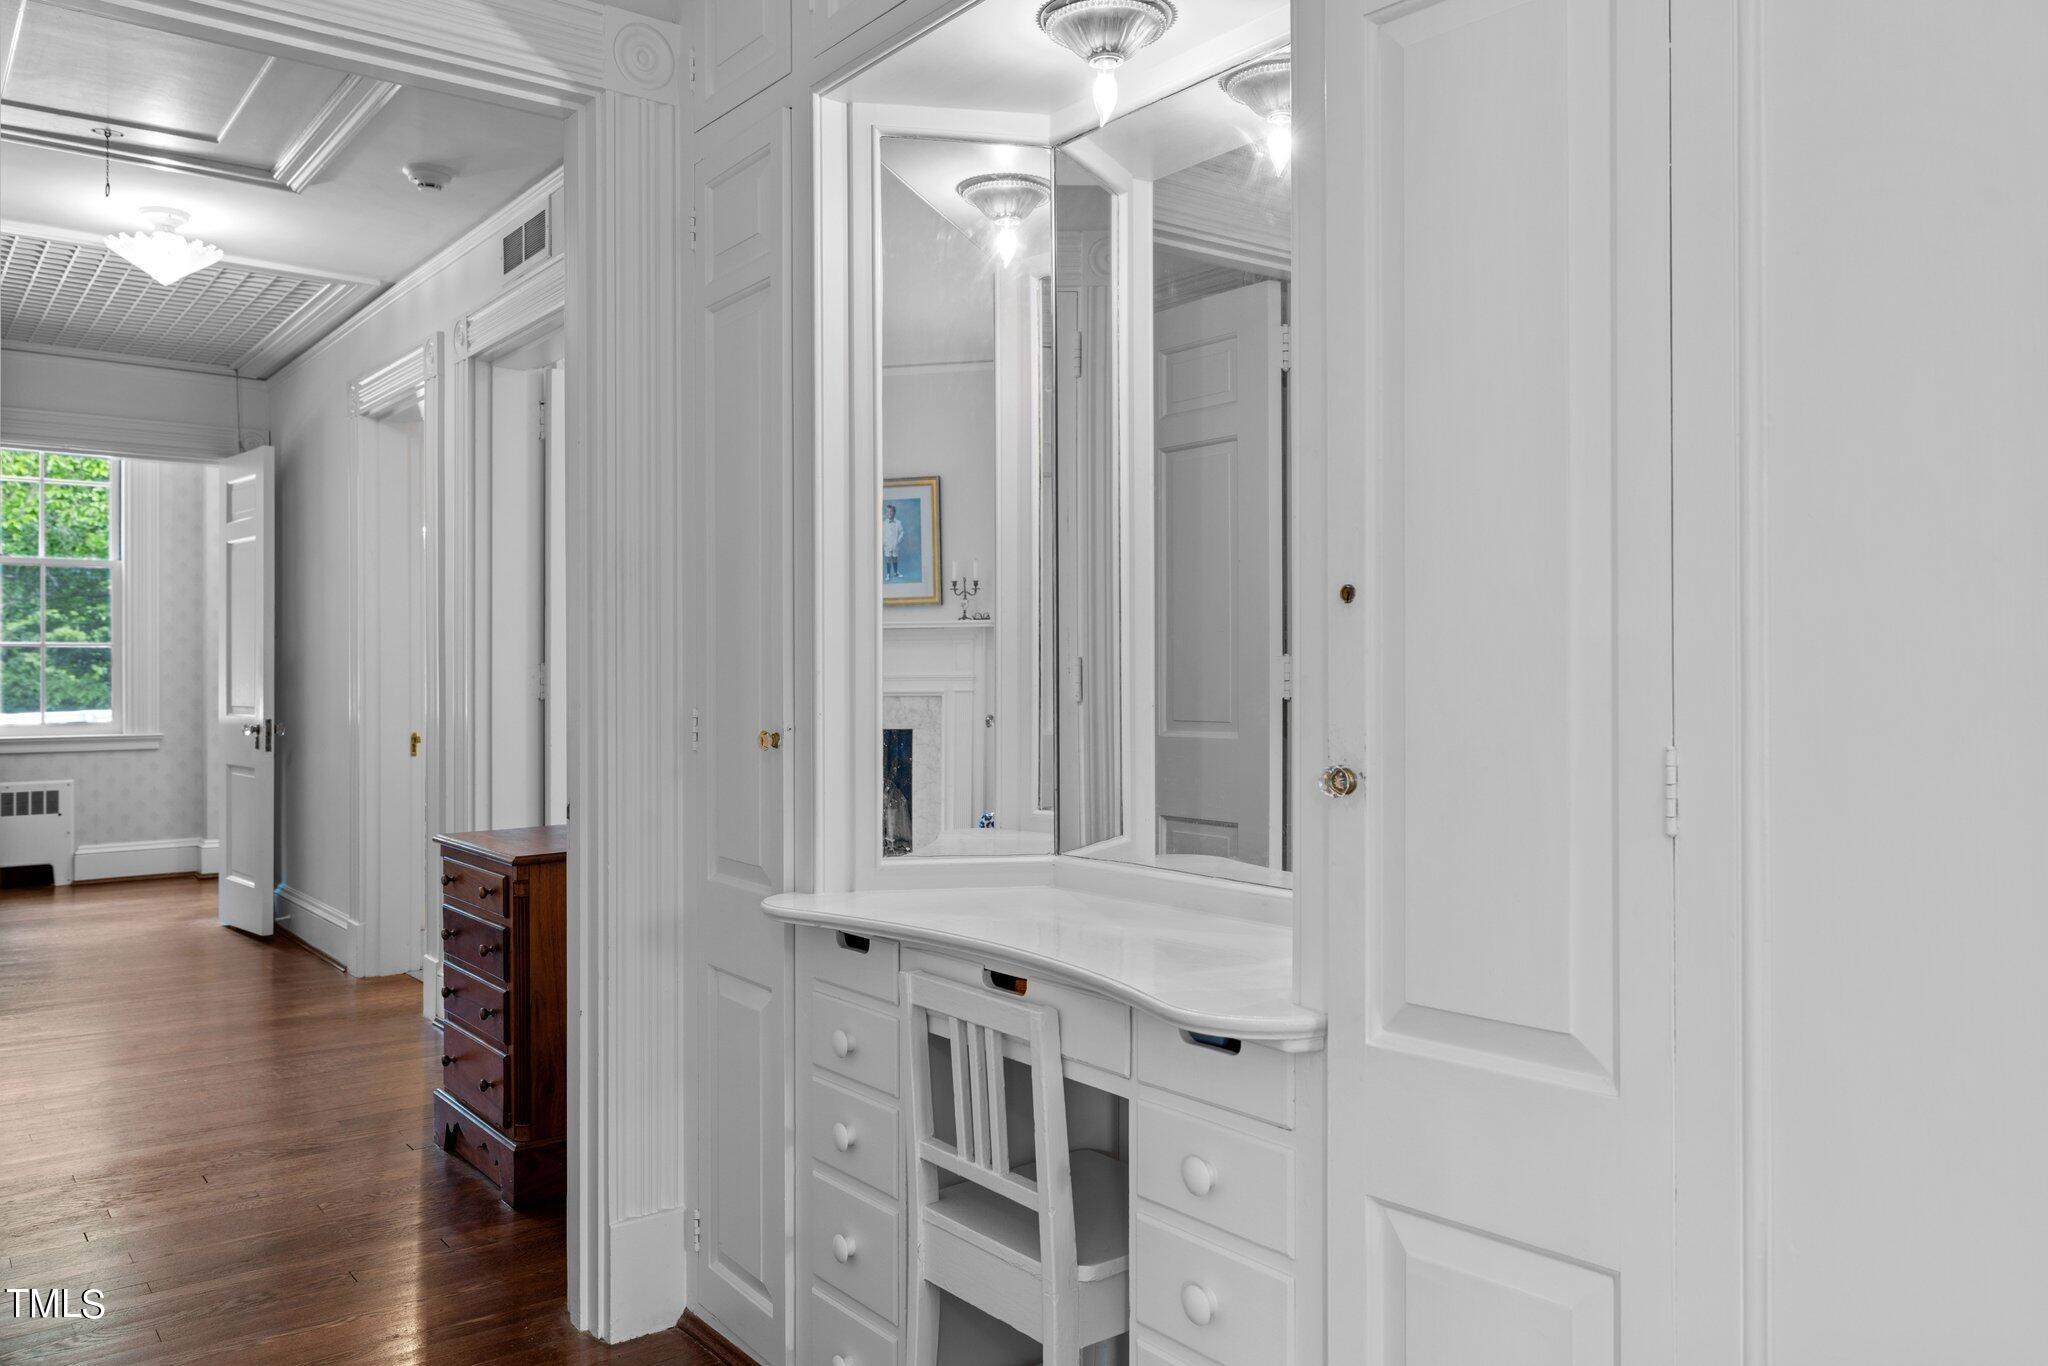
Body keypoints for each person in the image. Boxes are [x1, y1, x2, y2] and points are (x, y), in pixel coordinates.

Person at [883, 502, 905, 580]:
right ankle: (888, 574)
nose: (889, 513)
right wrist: (884, 543)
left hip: (895, 544)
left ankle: (895, 573)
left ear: (894, 512)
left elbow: (902, 532)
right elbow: (881, 534)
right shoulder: (884, 523)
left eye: (891, 511)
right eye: (888, 511)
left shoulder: (898, 523)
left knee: (895, 558)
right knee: (888, 559)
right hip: (887, 544)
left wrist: (898, 541)